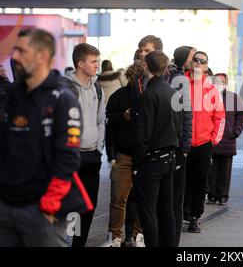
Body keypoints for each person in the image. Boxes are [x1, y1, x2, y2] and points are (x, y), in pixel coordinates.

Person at [0, 29, 84, 246]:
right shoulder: (13, 95)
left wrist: (50, 204)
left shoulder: (62, 98)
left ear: (42, 56)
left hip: (42, 210)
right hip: (7, 206)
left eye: (21, 51)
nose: (14, 57)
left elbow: (67, 158)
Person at [134, 51, 179, 247]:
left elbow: (143, 133)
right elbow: (179, 124)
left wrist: (137, 161)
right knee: (166, 209)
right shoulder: (172, 92)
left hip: (152, 160)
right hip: (170, 157)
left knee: (148, 210)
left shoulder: (149, 94)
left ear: (146, 67)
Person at [66, 43, 106, 247]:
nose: (96, 65)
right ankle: (68, 240)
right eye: (93, 62)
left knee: (89, 206)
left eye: (97, 61)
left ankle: (78, 245)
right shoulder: (63, 88)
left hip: (92, 156)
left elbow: (101, 121)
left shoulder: (98, 88)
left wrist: (98, 149)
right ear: (80, 64)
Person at [184, 51, 225, 233]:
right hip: (182, 143)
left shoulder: (212, 89)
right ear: (190, 63)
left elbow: (220, 117)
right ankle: (179, 215)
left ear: (207, 66)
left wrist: (213, 141)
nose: (199, 63)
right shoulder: (180, 84)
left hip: (203, 144)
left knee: (200, 183)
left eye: (203, 61)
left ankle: (195, 217)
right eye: (196, 60)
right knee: (181, 183)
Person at [104, 61, 144, 247]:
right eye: (133, 77)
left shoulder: (148, 96)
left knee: (142, 199)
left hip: (143, 156)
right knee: (118, 198)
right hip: (124, 155)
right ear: (127, 77)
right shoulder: (118, 96)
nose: (136, 81)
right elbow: (109, 124)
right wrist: (123, 117)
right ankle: (115, 236)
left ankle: (137, 235)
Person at [165, 46, 194, 246]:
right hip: (176, 144)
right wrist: (185, 145)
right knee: (175, 199)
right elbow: (185, 114)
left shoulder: (174, 75)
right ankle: (172, 240)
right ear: (185, 59)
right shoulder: (179, 78)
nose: (195, 59)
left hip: (171, 142)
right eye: (193, 56)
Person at [207, 73, 243, 205]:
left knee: (225, 170)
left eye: (222, 82)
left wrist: (235, 132)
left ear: (226, 83)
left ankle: (223, 195)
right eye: (217, 81)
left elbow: (241, 115)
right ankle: (211, 194)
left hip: (227, 140)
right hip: (211, 140)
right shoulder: (209, 96)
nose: (219, 84)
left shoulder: (233, 98)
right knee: (211, 170)